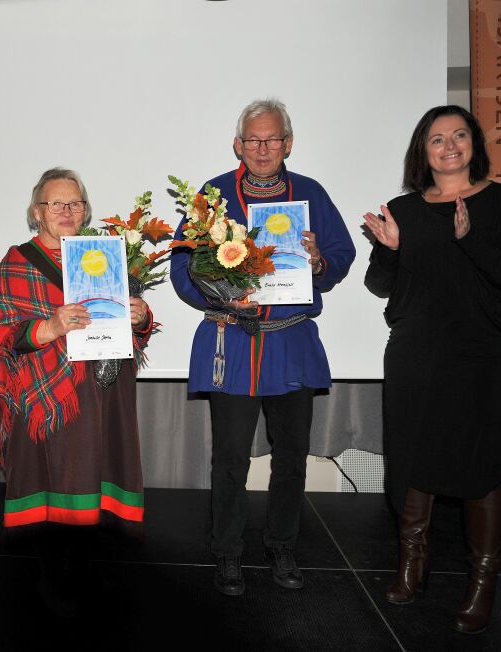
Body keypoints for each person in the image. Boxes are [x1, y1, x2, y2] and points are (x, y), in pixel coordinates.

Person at [171, 98, 355, 597]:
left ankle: (282, 546)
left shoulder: (311, 193)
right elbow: (181, 268)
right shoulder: (212, 195)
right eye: (252, 140)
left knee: (292, 456)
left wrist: (318, 262)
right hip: (232, 341)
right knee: (229, 457)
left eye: (272, 139)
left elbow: (342, 254)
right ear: (238, 144)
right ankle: (228, 552)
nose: (262, 148)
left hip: (290, 340)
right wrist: (226, 299)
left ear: (288, 144)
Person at [363, 105, 501, 634]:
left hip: (481, 356)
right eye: (437, 139)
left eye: (459, 135)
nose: (450, 146)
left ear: (473, 144)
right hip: (416, 352)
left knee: (480, 462)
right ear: (423, 151)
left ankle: (482, 581)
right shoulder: (404, 210)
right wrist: (390, 249)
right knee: (413, 455)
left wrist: (470, 238)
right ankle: (412, 564)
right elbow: (381, 285)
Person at [0, 167, 154, 614]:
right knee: (56, 482)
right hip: (49, 399)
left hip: (101, 394)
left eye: (74, 203)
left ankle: (85, 570)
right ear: (37, 212)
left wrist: (140, 316)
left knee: (92, 481)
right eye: (56, 203)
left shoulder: (108, 256)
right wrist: (48, 327)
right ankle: (54, 580)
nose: (66, 211)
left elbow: (129, 330)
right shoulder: (16, 263)